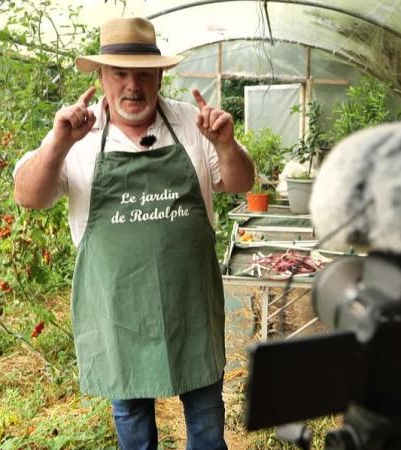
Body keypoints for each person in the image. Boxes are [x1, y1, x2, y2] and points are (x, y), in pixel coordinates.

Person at [13, 17, 254, 450]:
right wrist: (57, 143)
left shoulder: (190, 124)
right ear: (101, 77)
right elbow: (29, 196)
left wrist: (224, 144)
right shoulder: (77, 134)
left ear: (160, 75)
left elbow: (240, 183)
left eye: (144, 74)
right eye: (119, 73)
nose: (132, 86)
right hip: (119, 311)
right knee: (132, 420)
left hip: (190, 306)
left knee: (204, 418)